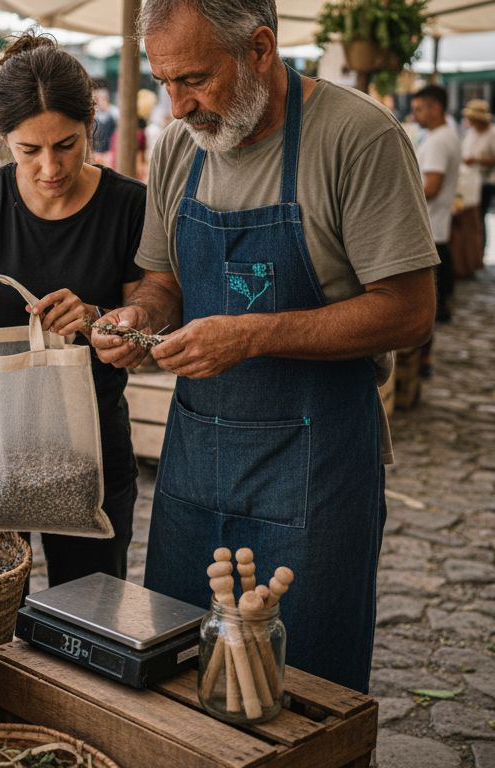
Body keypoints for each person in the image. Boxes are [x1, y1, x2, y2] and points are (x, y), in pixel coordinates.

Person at [92, 0, 437, 694]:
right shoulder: (177, 146)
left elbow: (410, 312)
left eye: (193, 78)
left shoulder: (358, 138)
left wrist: (251, 333)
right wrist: (136, 316)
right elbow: (162, 283)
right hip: (195, 466)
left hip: (318, 469)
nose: (179, 104)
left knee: (305, 684)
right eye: (164, 82)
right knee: (180, 673)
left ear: (259, 49)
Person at [0, 31, 146, 588]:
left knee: (88, 611)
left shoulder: (129, 205)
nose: (49, 168)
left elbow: (145, 332)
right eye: (29, 150)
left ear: (92, 124)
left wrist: (96, 319)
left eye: (66, 145)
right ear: (4, 139)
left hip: (89, 452)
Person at [412, 85, 460, 324]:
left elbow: (431, 186)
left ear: (436, 108)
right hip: (437, 221)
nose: (415, 115)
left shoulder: (438, 141)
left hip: (431, 221)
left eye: (420, 109)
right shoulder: (445, 136)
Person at [461, 100, 495, 252]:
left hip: (485, 181)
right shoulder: (472, 131)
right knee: (470, 216)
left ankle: (480, 250)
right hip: (468, 180)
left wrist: (477, 160)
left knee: (479, 217)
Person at [91, 83, 118, 166]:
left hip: (109, 154)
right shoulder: (95, 114)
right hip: (97, 153)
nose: (101, 100)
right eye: (99, 98)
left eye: (104, 98)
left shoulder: (114, 112)